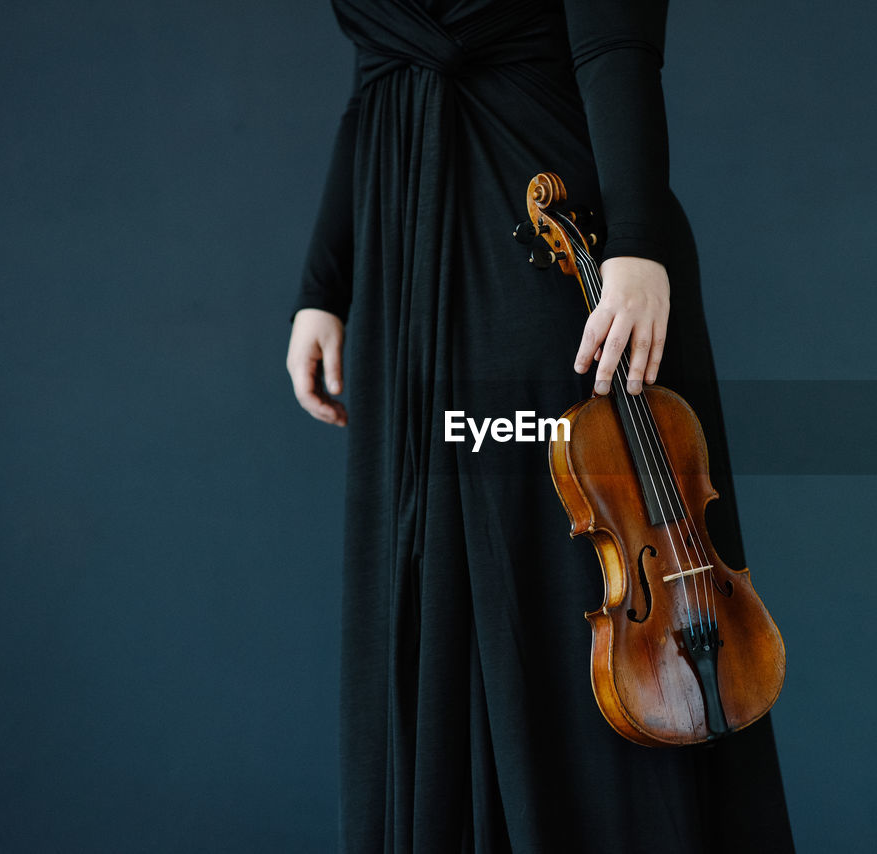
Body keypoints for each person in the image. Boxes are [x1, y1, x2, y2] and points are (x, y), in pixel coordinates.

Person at [284, 1, 795, 851]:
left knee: (573, 589)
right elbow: (376, 72)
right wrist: (323, 283)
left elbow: (615, 42)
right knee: (437, 588)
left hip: (550, 252)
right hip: (406, 283)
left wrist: (636, 242)